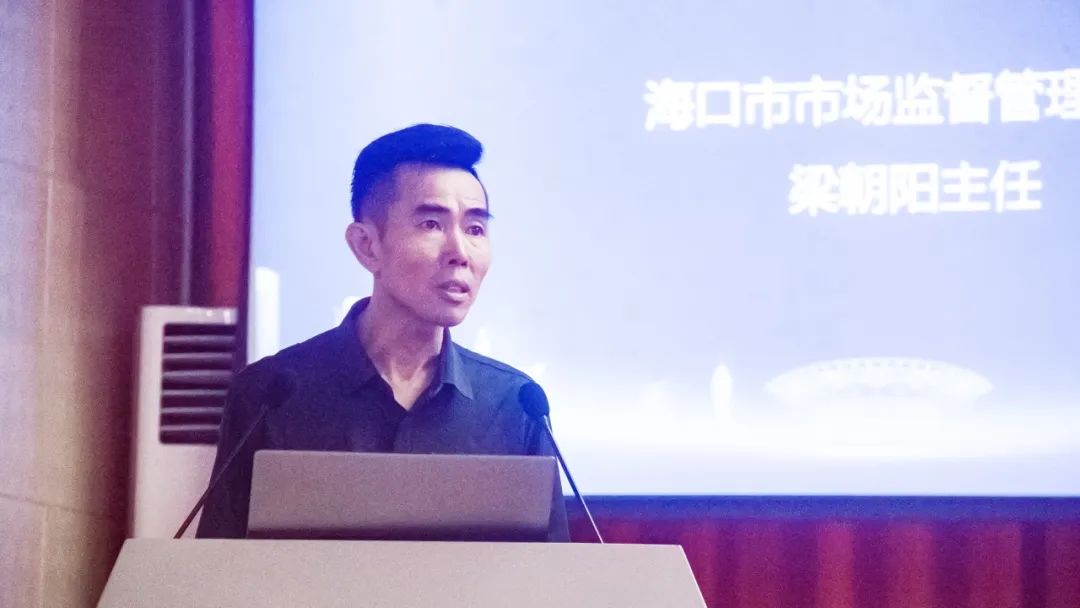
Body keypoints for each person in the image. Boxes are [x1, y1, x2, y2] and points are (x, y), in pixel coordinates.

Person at [196, 124, 569, 541]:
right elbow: (218, 567)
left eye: (475, 229)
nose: (460, 253)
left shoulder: (514, 405)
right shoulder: (271, 396)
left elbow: (549, 572)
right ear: (367, 246)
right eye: (432, 224)